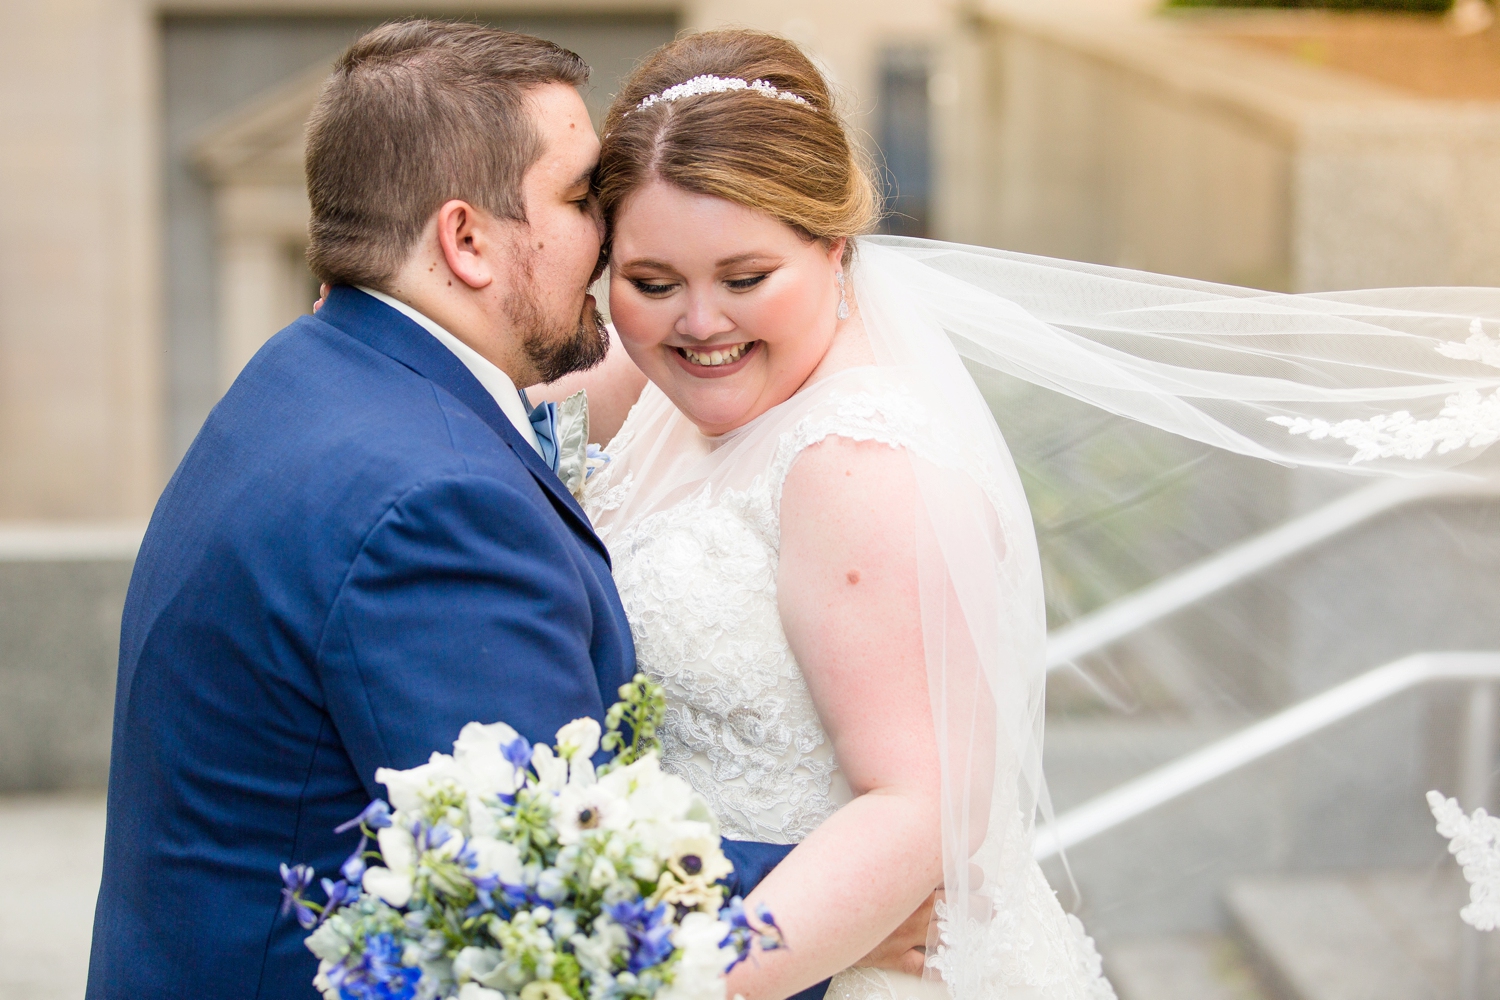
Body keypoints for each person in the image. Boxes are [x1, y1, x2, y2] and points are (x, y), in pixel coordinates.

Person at [534, 26, 1500, 1000]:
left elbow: (921, 806)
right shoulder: (661, 378)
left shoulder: (856, 463)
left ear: (834, 249)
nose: (699, 323)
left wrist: (662, 974)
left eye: (746, 278)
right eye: (653, 283)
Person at [86, 22, 923, 998]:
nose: (608, 238)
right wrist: (819, 911)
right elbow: (541, 893)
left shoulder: (312, 372)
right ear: (467, 240)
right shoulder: (437, 504)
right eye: (580, 200)